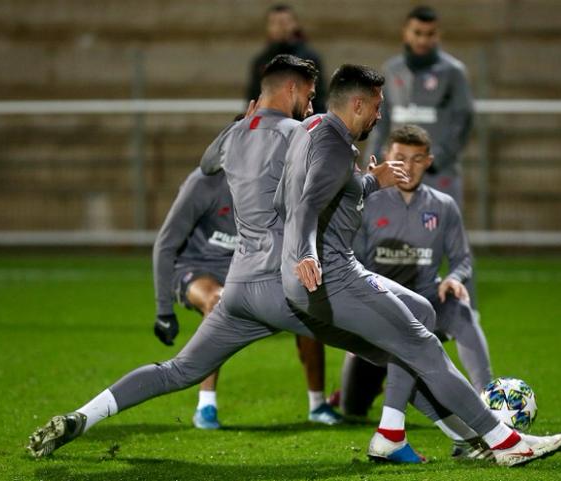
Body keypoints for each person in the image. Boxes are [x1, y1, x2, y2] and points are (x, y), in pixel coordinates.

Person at [27, 54, 392, 460]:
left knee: (179, 369)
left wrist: (243, 126)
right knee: (395, 343)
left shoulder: (236, 135)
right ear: (291, 89)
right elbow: (329, 189)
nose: (313, 105)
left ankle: (83, 416)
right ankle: (453, 431)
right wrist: (371, 182)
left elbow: (207, 162)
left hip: (239, 287)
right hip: (282, 285)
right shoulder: (306, 130)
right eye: (308, 95)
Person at [277, 63, 561, 466]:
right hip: (331, 276)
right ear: (358, 104)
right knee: (424, 346)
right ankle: (505, 443)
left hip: (316, 276)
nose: (381, 115)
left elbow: (286, 200)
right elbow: (308, 203)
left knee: (421, 311)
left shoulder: (310, 131)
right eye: (377, 106)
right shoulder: (333, 144)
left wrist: (371, 181)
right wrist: (307, 252)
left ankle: (393, 433)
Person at [152, 131, 342, 428]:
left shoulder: (277, 181)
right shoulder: (203, 183)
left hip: (250, 268)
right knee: (217, 300)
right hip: (199, 269)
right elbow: (166, 243)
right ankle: (206, 406)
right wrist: (164, 309)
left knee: (307, 302)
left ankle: (317, 405)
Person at [336, 125, 493, 457]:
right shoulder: (368, 203)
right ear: (387, 158)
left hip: (428, 303)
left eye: (417, 159)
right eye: (400, 158)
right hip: (378, 311)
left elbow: (463, 258)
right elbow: (352, 262)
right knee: (352, 406)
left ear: (429, 161)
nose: (407, 167)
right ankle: (460, 430)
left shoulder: (444, 206)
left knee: (461, 312)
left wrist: (455, 279)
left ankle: (489, 399)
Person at [364, 5, 473, 208]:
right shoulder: (391, 70)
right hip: (396, 172)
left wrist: (437, 160)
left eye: (430, 34)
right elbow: (380, 120)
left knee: (439, 231)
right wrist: (374, 160)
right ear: (405, 33)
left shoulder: (453, 72)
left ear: (438, 35)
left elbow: (463, 121)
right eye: (417, 33)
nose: (423, 40)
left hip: (438, 174)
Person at [247, 4, 327, 113]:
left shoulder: (309, 58)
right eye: (275, 23)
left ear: (295, 24)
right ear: (268, 27)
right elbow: (254, 96)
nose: (281, 27)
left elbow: (319, 97)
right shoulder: (261, 61)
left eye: (285, 22)